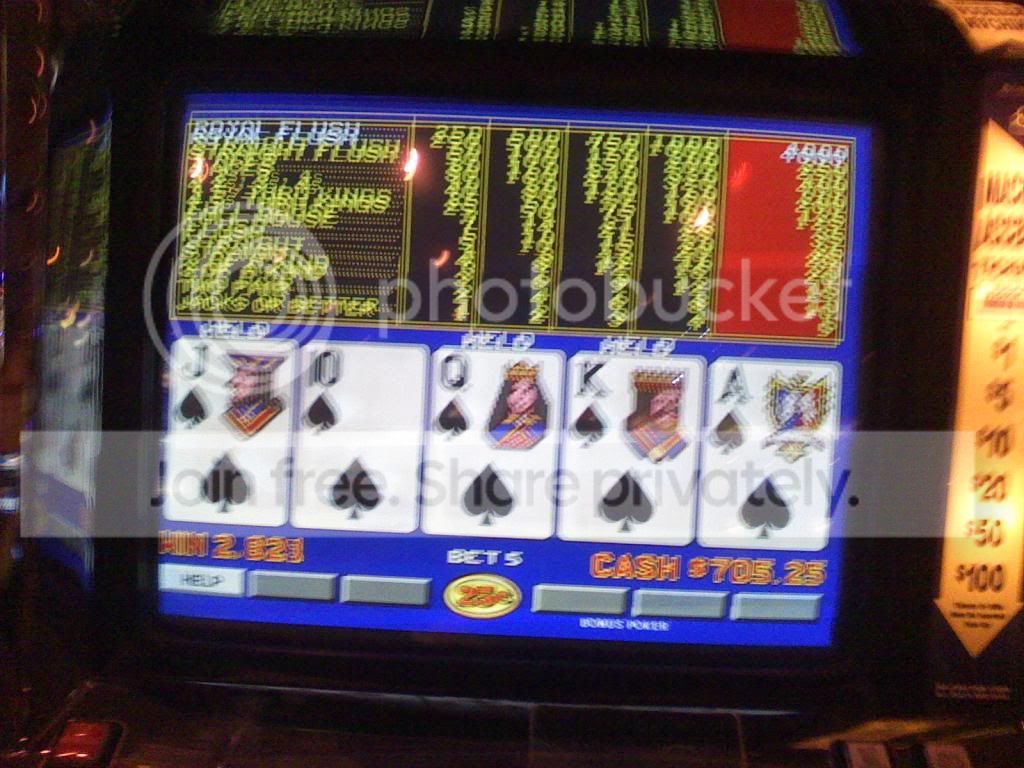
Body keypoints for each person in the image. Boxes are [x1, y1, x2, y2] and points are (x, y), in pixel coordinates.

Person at [624, 370, 686, 463]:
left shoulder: (680, 438)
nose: (668, 408)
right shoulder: (636, 434)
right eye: (660, 401)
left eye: (675, 401)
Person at [487, 361, 548, 450]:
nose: (521, 397)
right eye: (514, 391)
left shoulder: (539, 427)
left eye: (528, 389)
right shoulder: (498, 431)